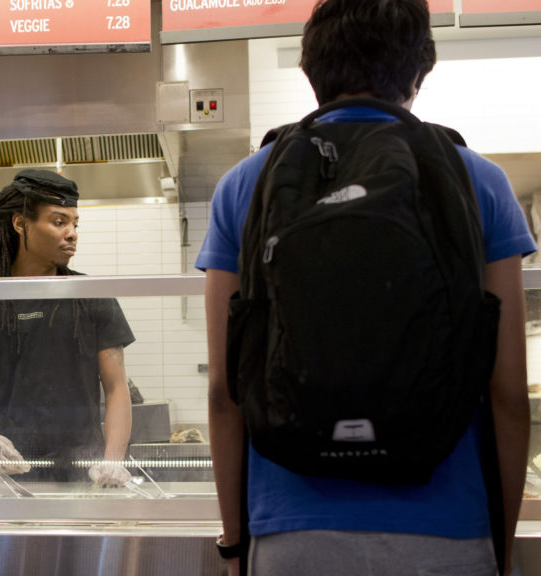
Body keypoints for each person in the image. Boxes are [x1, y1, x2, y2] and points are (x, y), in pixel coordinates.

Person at [197, 1, 536, 575]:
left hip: (292, 533)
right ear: (417, 72)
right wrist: (500, 551)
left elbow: (225, 393)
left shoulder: (246, 184)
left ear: (312, 71)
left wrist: (236, 545)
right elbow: (506, 394)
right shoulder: (475, 178)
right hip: (446, 531)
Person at [0, 169, 135, 485]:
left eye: (75, 223)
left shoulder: (90, 296)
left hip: (81, 472)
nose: (71, 233)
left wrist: (111, 461)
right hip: (3, 477)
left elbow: (115, 388)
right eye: (59, 222)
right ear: (20, 224)